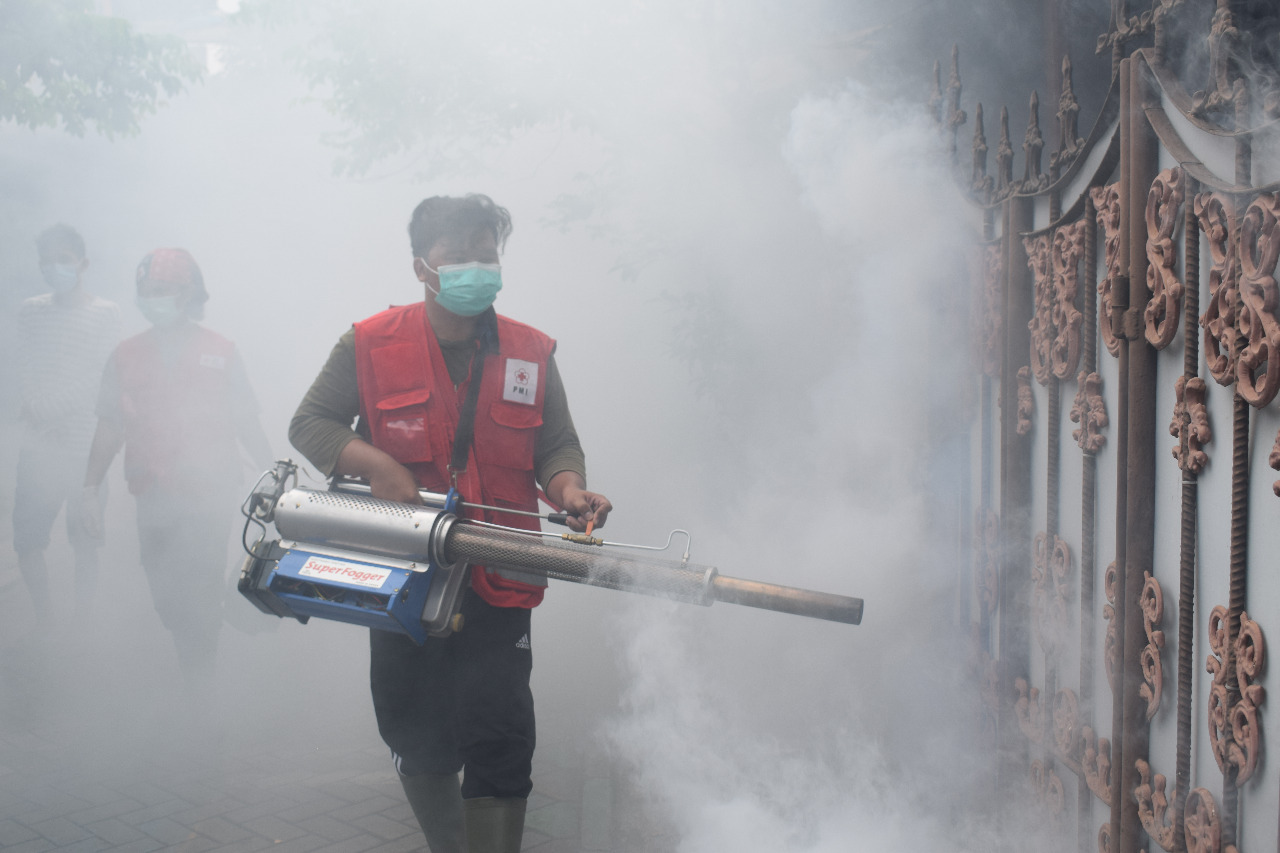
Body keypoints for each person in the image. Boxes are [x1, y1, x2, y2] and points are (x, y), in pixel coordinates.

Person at [289, 194, 611, 853]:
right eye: (457, 256)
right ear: (421, 267)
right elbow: (310, 423)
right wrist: (374, 461)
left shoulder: (530, 351)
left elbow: (555, 445)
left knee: (501, 732)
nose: (475, 268)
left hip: (501, 569)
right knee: (415, 730)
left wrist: (570, 488)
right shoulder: (369, 343)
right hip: (403, 574)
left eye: (486, 256)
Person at [83, 247, 272, 688]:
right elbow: (110, 425)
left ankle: (200, 678)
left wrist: (273, 477)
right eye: (147, 291)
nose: (155, 298)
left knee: (201, 580)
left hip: (209, 490)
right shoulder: (125, 355)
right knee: (164, 588)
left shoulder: (221, 351)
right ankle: (193, 640)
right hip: (152, 491)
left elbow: (246, 420)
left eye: (164, 290)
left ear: (189, 295)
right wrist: (89, 488)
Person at [13, 223, 121, 620]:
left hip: (84, 450)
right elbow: (24, 368)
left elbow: (99, 376)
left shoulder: (105, 314)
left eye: (63, 259)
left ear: (82, 263)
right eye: (47, 261)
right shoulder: (31, 311)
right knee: (26, 542)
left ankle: (82, 621)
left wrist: (46, 408)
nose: (54, 267)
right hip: (37, 448)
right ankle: (45, 619)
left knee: (85, 543)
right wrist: (33, 407)